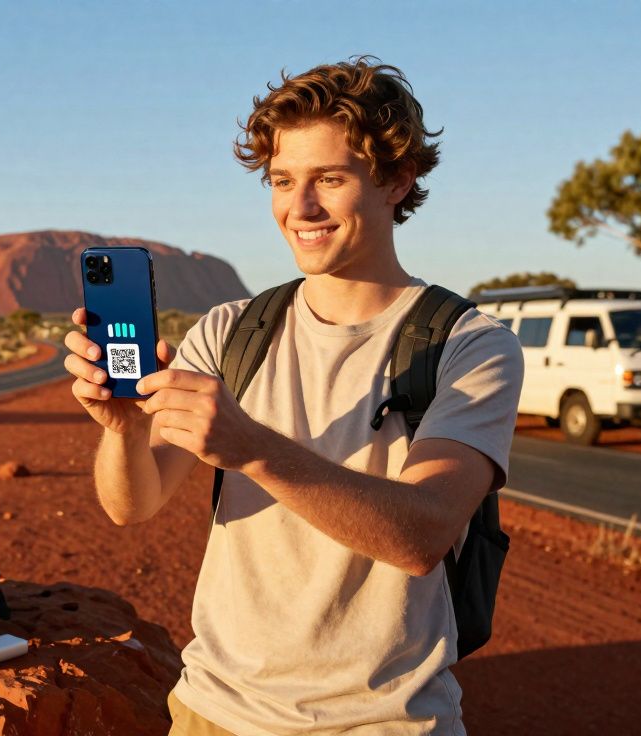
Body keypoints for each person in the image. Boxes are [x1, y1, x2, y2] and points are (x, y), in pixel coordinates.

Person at [63, 57, 524, 734]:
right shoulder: (229, 331)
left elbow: (423, 533)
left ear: (398, 180)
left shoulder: (469, 345)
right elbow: (134, 505)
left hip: (382, 722)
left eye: (329, 180)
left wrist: (251, 449)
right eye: (282, 181)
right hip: (213, 712)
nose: (299, 208)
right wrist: (122, 428)